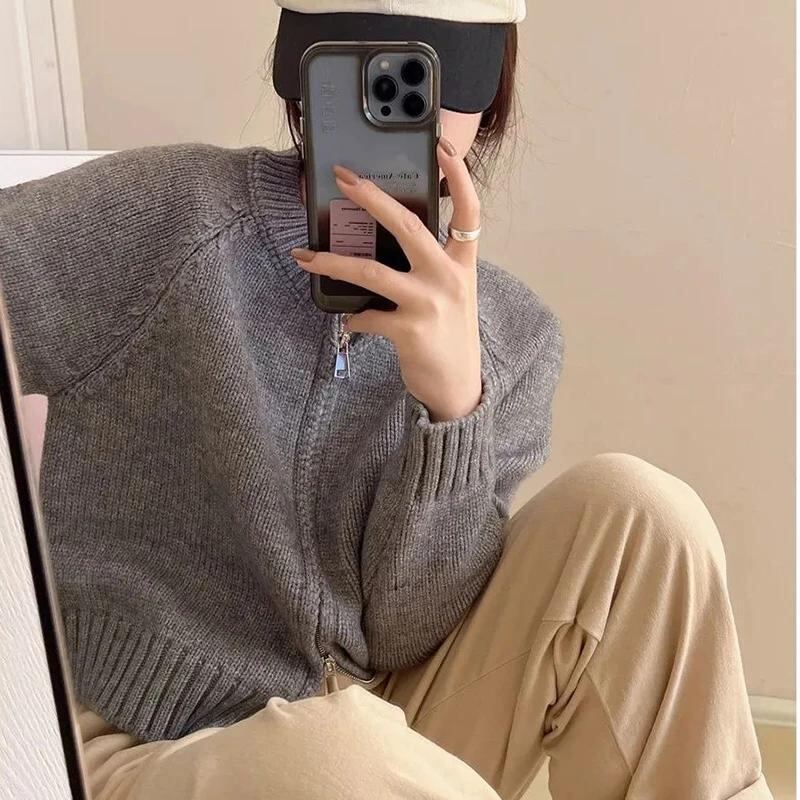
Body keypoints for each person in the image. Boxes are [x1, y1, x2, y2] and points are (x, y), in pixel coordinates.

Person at [0, 1, 772, 798]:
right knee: (336, 752)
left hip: (387, 733)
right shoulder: (173, 216)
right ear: (303, 75)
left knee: (642, 513)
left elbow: (408, 633)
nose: (408, 110)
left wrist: (452, 408)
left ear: (490, 93)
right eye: (374, 73)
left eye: (439, 75)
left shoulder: (514, 336)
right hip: (150, 744)